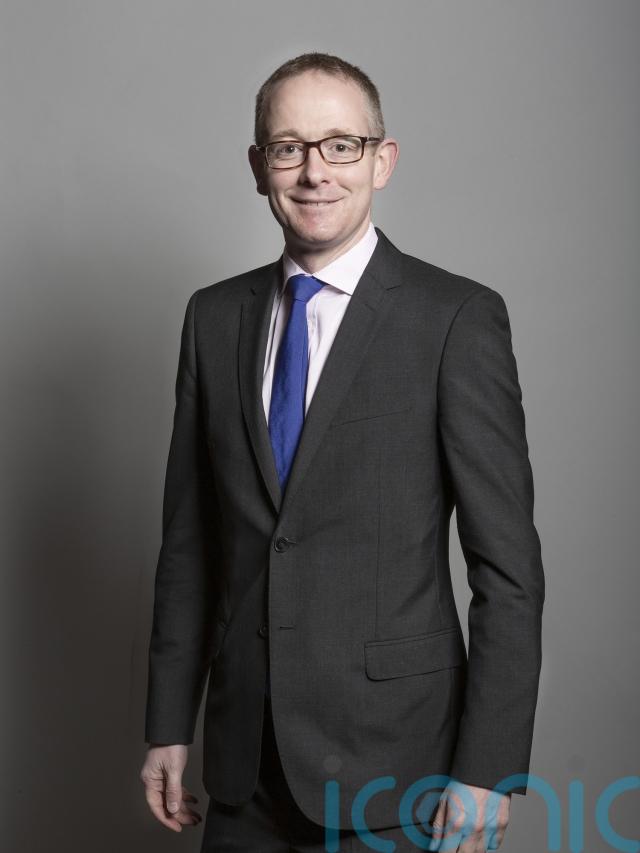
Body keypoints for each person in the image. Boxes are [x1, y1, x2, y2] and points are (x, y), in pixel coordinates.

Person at [139, 52, 545, 853]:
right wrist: (168, 722)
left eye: (340, 145)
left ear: (381, 161)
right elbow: (190, 548)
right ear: (258, 166)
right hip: (242, 767)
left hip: (397, 767)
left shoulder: (453, 319)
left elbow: (508, 570)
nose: (315, 171)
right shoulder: (213, 319)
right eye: (288, 147)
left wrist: (488, 768)